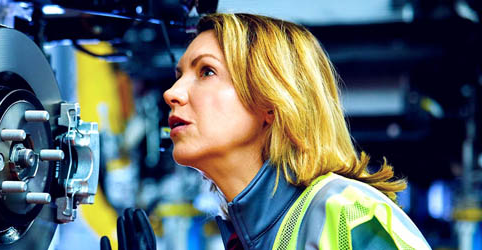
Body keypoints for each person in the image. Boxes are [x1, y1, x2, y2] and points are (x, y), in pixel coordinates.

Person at [104, 13, 431, 250]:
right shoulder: (245, 238)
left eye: (206, 71)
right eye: (179, 75)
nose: (172, 92)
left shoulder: (343, 212)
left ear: (271, 104)